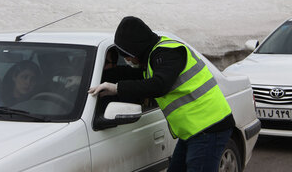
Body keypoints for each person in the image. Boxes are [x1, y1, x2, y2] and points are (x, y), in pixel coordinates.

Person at [88, 16, 235, 172]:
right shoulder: (155, 57)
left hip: (209, 128)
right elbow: (139, 75)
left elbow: (159, 85)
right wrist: (108, 74)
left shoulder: (168, 52)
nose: (127, 59)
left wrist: (117, 88)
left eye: (126, 54)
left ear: (136, 48)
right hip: (194, 131)